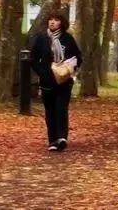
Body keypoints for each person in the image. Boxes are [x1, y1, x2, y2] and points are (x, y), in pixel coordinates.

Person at [30, 10, 81, 152]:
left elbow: (77, 57)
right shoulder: (41, 38)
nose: (52, 22)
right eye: (50, 19)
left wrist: (70, 68)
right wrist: (42, 72)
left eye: (56, 20)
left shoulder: (67, 39)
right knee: (50, 111)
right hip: (47, 81)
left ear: (61, 23)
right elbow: (33, 59)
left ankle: (62, 138)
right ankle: (52, 140)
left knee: (61, 109)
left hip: (64, 80)